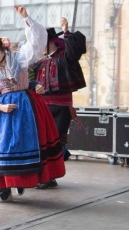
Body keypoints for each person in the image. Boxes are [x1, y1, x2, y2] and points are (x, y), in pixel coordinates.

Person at [0, 7, 65, 200]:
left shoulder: (19, 58)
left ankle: (21, 181)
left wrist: (26, 18)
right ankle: (4, 188)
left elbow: (37, 42)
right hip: (3, 112)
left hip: (25, 107)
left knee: (24, 144)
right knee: (2, 147)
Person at [31, 16, 87, 189]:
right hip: (43, 108)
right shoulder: (38, 63)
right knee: (43, 141)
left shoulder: (65, 57)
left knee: (55, 142)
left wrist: (66, 31)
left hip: (61, 108)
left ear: (52, 42)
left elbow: (75, 51)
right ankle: (44, 175)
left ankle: (50, 176)